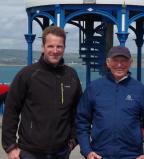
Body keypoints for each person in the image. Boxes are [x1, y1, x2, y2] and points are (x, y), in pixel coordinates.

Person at [2, 26, 82, 159]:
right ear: (43, 47)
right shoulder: (27, 75)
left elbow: (78, 111)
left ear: (64, 47)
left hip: (61, 152)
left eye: (59, 46)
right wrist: (10, 147)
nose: (55, 51)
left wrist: (74, 140)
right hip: (30, 152)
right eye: (50, 46)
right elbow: (11, 111)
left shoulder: (71, 75)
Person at [75, 46, 144, 159]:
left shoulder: (140, 90)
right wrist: (87, 151)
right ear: (108, 63)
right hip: (99, 155)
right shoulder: (94, 88)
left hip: (132, 156)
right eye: (115, 60)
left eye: (124, 61)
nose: (119, 65)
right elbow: (82, 122)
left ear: (130, 63)